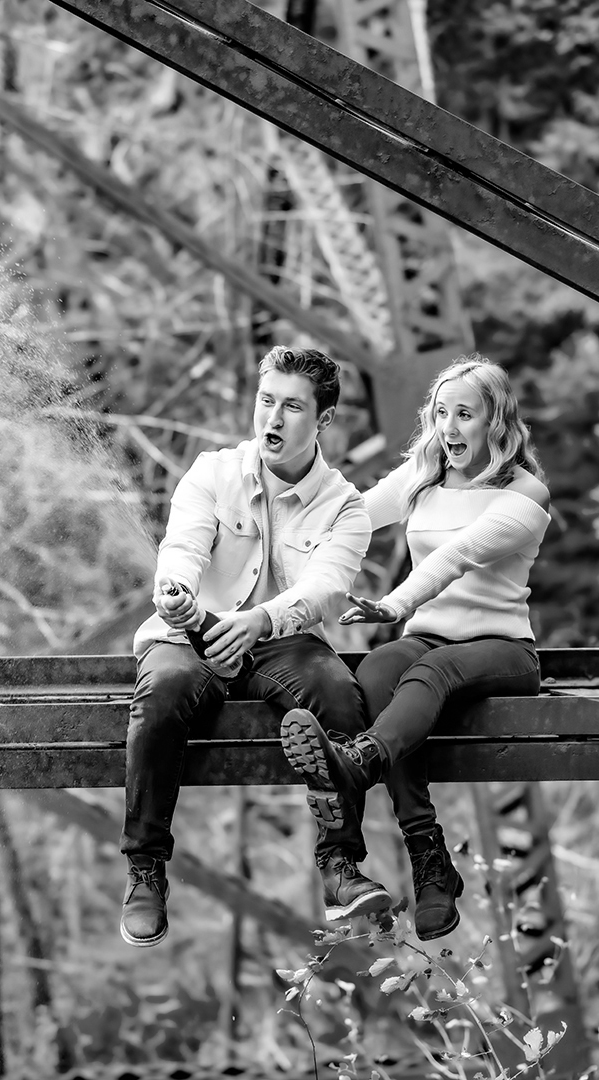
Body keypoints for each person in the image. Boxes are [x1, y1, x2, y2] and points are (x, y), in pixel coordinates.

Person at [121, 345, 393, 948]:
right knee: (161, 692)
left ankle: (340, 865)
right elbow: (184, 546)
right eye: (266, 401)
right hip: (191, 633)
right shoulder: (211, 472)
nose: (272, 418)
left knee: (339, 695)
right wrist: (177, 594)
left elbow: (324, 593)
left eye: (292, 407)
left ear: (322, 421)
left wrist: (259, 622)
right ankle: (145, 869)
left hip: (282, 642)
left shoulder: (346, 506)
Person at [281, 354, 551, 941]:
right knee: (378, 672)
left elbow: (457, 555)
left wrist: (395, 605)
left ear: (496, 423)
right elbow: (355, 510)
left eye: (466, 415)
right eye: (441, 413)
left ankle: (356, 765)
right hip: (429, 636)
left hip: (502, 648)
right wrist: (284, 513)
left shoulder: (525, 494)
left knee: (432, 671)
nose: (450, 428)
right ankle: (430, 858)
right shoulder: (424, 474)